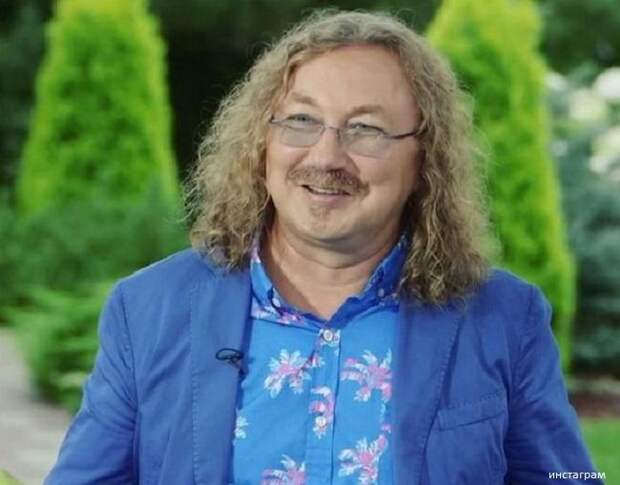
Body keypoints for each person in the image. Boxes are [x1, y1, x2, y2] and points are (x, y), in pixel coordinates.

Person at [46, 10, 602, 485]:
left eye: (366, 130)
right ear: (261, 143)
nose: (326, 156)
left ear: (424, 159)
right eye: (301, 121)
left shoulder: (504, 317)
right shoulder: (149, 308)